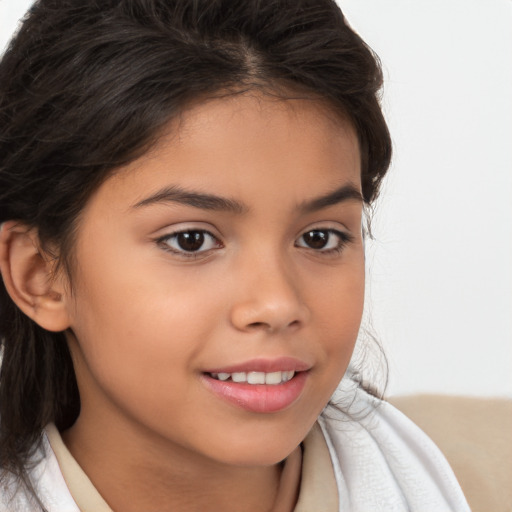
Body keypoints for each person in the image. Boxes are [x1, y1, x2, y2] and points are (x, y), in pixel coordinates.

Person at [0, 1, 470, 510]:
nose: (277, 304)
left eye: (319, 237)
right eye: (191, 240)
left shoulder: (474, 475)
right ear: (40, 275)